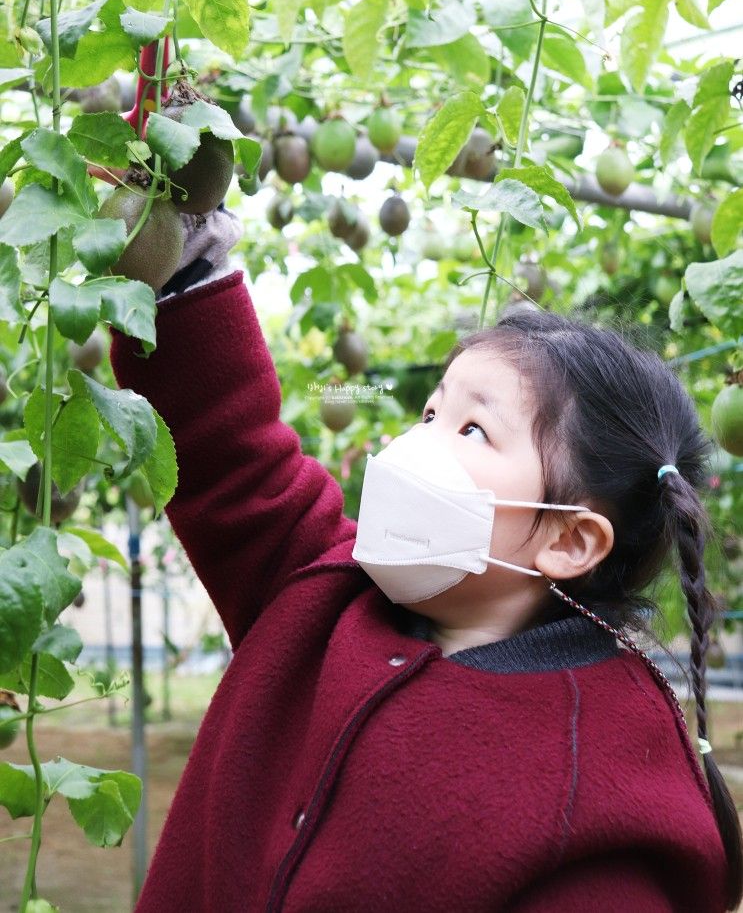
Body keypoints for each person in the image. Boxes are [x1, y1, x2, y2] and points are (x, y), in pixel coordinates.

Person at [101, 195, 743, 913]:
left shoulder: (593, 784)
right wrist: (177, 226)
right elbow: (231, 450)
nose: (421, 441)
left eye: (473, 431)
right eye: (431, 412)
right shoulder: (321, 586)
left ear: (568, 539)